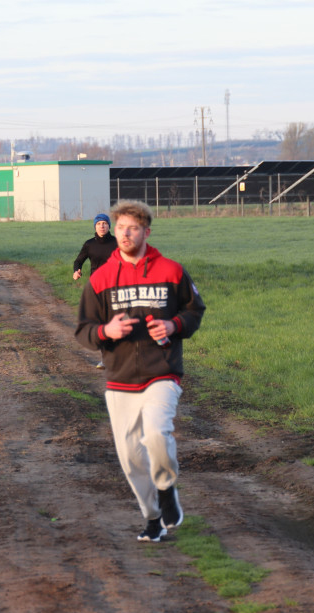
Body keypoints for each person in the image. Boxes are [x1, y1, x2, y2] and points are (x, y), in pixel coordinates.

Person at [75, 200, 206, 543]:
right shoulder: (101, 278)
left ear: (147, 232)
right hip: (119, 380)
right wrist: (105, 332)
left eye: (133, 228)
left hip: (161, 372)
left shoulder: (171, 271)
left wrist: (174, 324)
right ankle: (152, 518)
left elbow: (195, 311)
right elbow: (83, 329)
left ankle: (165, 486)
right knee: (131, 459)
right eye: (120, 228)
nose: (125, 234)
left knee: (156, 435)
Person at [73, 213, 118, 368]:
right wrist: (76, 271)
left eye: (105, 223)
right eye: (99, 224)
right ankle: (106, 358)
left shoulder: (117, 243)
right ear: (95, 226)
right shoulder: (89, 244)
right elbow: (78, 260)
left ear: (109, 226)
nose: (102, 226)